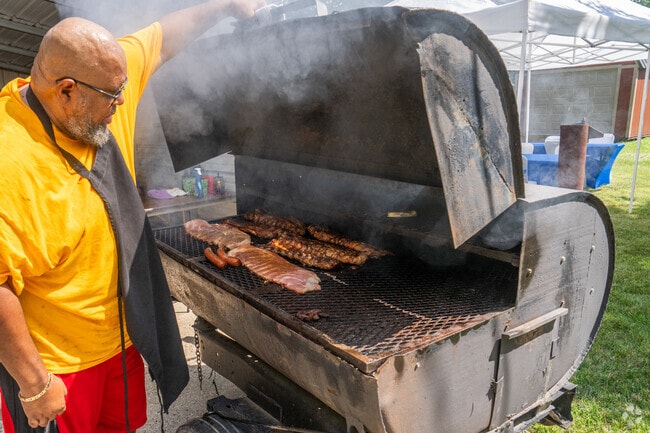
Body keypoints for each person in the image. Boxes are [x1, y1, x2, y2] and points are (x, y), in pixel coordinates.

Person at [0, 0, 264, 432]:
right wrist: (34, 384)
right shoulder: (9, 160)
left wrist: (227, 4)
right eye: (112, 95)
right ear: (66, 90)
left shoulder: (97, 82)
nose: (124, 100)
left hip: (122, 341)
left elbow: (161, 41)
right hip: (58, 365)